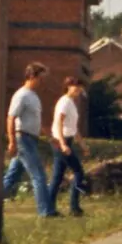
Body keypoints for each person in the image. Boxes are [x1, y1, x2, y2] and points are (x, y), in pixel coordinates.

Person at [0, 62, 58, 217]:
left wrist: (50, 137)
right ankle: (46, 211)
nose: (42, 82)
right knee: (38, 175)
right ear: (32, 76)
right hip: (23, 138)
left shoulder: (34, 97)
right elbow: (11, 118)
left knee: (12, 176)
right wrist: (12, 141)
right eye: (41, 78)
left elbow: (38, 120)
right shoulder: (22, 95)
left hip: (32, 139)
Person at [48, 77, 90, 217]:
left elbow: (73, 128)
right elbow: (59, 123)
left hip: (67, 139)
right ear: (67, 86)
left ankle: (49, 208)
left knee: (57, 176)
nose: (78, 89)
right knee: (78, 172)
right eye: (75, 86)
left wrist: (83, 145)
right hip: (61, 140)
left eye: (80, 87)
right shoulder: (64, 102)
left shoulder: (71, 103)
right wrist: (62, 144)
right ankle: (74, 207)